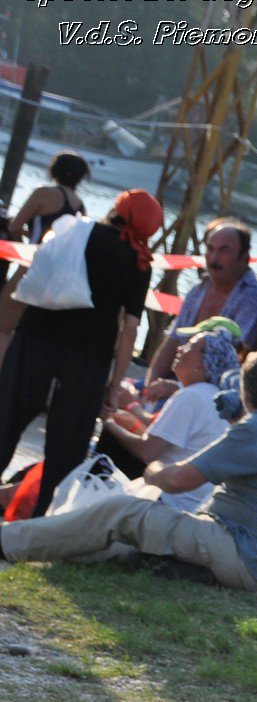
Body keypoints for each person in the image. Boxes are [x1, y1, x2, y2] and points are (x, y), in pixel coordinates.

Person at [0, 352, 257, 592]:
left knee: (124, 511)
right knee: (126, 535)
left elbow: (177, 481)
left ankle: (8, 541)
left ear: (246, 392)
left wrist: (152, 470)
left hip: (242, 553)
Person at [0, 189, 162, 517]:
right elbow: (130, 329)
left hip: (37, 337)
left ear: (117, 209)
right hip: (89, 356)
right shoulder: (139, 261)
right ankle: (39, 522)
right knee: (67, 443)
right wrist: (115, 385)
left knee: (7, 419)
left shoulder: (77, 230)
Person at [98, 329, 236, 510]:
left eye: (189, 346)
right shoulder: (211, 396)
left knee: (111, 438)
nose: (180, 349)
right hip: (190, 499)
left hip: (169, 499)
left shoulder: (192, 396)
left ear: (202, 363)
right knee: (122, 428)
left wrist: (107, 421)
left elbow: (147, 450)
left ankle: (93, 504)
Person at [146, 218, 257, 383]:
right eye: (210, 248)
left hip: (225, 393)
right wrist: (149, 387)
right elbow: (173, 342)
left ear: (244, 257)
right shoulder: (198, 289)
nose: (214, 258)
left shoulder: (254, 299)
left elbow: (228, 362)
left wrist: (176, 390)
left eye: (224, 251)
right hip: (182, 383)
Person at [1, 152, 91, 360]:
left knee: (2, 326)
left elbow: (14, 226)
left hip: (31, 267)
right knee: (29, 334)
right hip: (57, 277)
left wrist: (23, 247)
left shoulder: (43, 193)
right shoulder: (80, 206)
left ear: (54, 171)